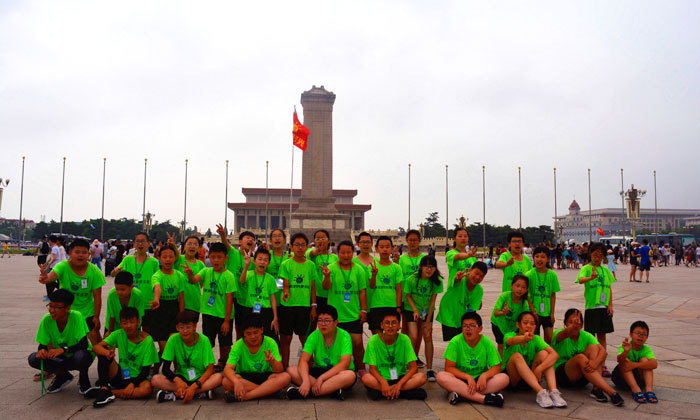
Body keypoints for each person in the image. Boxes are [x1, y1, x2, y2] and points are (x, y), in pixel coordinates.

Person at [38, 238, 105, 345]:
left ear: (89, 254)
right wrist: (45, 278)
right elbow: (52, 276)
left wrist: (96, 317)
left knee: (95, 342)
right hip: (66, 313)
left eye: (84, 252)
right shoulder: (63, 266)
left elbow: (97, 297)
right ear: (70, 253)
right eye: (77, 252)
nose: (80, 255)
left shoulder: (95, 271)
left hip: (87, 314)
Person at [28, 289, 96, 394]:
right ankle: (62, 375)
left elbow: (83, 344)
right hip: (59, 357)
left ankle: (84, 379)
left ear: (67, 308)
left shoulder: (76, 317)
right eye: (50, 306)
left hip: (76, 356)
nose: (52, 310)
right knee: (33, 358)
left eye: (57, 307)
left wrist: (63, 350)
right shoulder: (47, 319)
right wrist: (42, 351)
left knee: (81, 356)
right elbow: (42, 344)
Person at [551, 308, 624, 406]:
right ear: (565, 323)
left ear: (581, 325)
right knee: (580, 357)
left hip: (584, 375)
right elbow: (565, 334)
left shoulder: (586, 335)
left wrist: (595, 362)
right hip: (563, 377)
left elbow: (603, 351)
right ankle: (611, 392)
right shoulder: (558, 333)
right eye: (570, 322)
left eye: (577, 323)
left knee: (594, 348)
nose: (574, 325)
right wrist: (572, 328)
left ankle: (596, 389)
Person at [183, 242, 236, 373]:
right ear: (209, 257)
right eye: (213, 257)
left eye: (219, 257)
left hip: (223, 316)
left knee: (225, 343)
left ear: (225, 258)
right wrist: (190, 274)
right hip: (208, 314)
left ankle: (223, 362)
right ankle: (209, 363)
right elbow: (193, 281)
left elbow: (230, 300)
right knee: (208, 341)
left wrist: (226, 321)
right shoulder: (206, 271)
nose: (216, 260)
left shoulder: (229, 276)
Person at [435, 311, 508, 407]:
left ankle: (462, 395)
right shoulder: (455, 341)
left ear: (480, 328)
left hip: (480, 381)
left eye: (472, 326)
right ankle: (484, 399)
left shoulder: (486, 342)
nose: (468, 329)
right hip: (460, 380)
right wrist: (468, 377)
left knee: (504, 378)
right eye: (465, 326)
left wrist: (485, 376)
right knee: (441, 376)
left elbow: (497, 367)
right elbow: (449, 368)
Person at [90, 307, 159, 407]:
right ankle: (104, 388)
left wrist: (132, 385)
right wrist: (107, 353)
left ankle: (109, 392)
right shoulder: (118, 334)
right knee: (103, 352)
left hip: (139, 377)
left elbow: (145, 370)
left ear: (138, 322)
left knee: (147, 389)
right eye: (125, 323)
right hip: (121, 374)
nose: (128, 326)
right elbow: (96, 347)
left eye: (132, 322)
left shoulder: (147, 340)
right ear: (120, 324)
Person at [286, 306, 357, 400]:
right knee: (291, 370)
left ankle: (307, 393)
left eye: (327, 321)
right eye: (320, 320)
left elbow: (345, 364)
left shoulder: (344, 336)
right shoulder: (314, 336)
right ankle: (331, 390)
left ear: (336, 322)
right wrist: (306, 380)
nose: (323, 324)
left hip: (338, 372)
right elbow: (303, 360)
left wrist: (321, 378)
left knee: (350, 376)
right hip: (319, 370)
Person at [151, 310, 223, 403]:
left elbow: (210, 369)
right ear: (177, 327)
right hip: (182, 377)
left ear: (195, 327)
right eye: (181, 327)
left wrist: (194, 386)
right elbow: (165, 369)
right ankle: (199, 393)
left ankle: (178, 394)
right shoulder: (173, 339)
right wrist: (179, 381)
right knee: (155, 379)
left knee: (218, 378)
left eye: (188, 327)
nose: (185, 331)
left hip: (199, 379)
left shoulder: (204, 340)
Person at [503, 311, 567, 408]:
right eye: (525, 323)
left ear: (535, 327)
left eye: (532, 324)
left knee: (544, 354)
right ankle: (540, 392)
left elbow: (554, 354)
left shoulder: (536, 338)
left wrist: (539, 369)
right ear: (518, 324)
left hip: (531, 378)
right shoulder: (509, 335)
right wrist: (523, 338)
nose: (528, 326)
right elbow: (511, 341)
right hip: (513, 379)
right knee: (517, 356)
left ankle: (553, 392)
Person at [322, 240, 368, 374]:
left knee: (357, 344)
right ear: (338, 253)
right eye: (343, 253)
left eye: (349, 252)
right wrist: (326, 277)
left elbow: (362, 291)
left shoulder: (359, 270)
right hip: (335, 315)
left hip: (353, 314)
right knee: (335, 344)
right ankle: (336, 369)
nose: (346, 255)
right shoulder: (331, 268)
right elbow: (326, 287)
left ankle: (361, 368)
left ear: (353, 252)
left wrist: (363, 310)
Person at [222, 315, 291, 402]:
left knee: (285, 377)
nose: (253, 337)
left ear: (262, 330)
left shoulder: (270, 342)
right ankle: (270, 392)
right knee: (226, 381)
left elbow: (279, 369)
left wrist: (273, 362)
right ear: (243, 333)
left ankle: (247, 396)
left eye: (256, 332)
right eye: (248, 334)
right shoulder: (238, 345)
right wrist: (236, 381)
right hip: (245, 378)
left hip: (266, 377)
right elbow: (228, 369)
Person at [361, 310, 427, 400]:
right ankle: (398, 393)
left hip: (400, 378)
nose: (390, 326)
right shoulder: (373, 340)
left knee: (421, 377)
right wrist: (383, 382)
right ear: (382, 325)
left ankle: (388, 392)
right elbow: (372, 369)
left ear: (399, 325)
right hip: (381, 379)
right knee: (366, 378)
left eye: (394, 323)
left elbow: (413, 368)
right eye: (387, 323)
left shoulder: (404, 339)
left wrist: (399, 385)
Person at [278, 233, 318, 368]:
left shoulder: (311, 265)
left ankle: (309, 368)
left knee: (305, 339)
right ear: (291, 247)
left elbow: (313, 287)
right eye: (297, 245)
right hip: (287, 306)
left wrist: (313, 306)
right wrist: (285, 291)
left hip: (304, 306)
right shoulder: (285, 264)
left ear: (307, 247)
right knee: (286, 338)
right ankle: (285, 367)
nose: (300, 248)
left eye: (303, 245)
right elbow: (283, 283)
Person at [576, 242, 616, 377]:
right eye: (594, 255)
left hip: (603, 308)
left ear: (603, 257)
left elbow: (609, 288)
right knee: (591, 337)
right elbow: (580, 279)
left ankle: (602, 364)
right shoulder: (587, 268)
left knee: (602, 337)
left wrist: (610, 305)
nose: (597, 258)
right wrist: (590, 278)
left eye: (600, 255)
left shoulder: (605, 271)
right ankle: (591, 362)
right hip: (591, 307)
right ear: (590, 255)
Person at [403, 255, 442, 382]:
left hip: (426, 310)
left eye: (432, 267)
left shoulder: (436, 281)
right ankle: (409, 365)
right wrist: (415, 310)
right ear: (420, 267)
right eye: (426, 267)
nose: (429, 270)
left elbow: (433, 301)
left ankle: (429, 369)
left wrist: (428, 321)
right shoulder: (412, 279)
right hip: (411, 309)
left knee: (428, 335)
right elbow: (408, 296)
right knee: (413, 336)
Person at [111, 232, 160, 333]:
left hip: (148, 303)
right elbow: (113, 274)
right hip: (131, 303)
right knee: (131, 332)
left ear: (148, 243)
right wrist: (115, 271)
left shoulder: (154, 262)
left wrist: (156, 298)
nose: (140, 244)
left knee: (147, 332)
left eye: (143, 241)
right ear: (134, 244)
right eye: (137, 241)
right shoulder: (127, 260)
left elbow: (157, 283)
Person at [436, 227, 478, 342]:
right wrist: (468, 255)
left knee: (468, 338)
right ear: (454, 239)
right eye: (460, 236)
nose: (463, 238)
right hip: (453, 300)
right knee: (454, 340)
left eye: (465, 236)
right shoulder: (450, 253)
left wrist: (477, 298)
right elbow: (457, 257)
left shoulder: (472, 259)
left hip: (467, 300)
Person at [217, 225, 256, 341]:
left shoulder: (253, 261)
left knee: (241, 327)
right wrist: (223, 235)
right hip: (230, 295)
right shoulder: (233, 253)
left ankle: (241, 345)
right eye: (247, 238)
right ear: (239, 242)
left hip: (243, 298)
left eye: (252, 239)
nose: (250, 240)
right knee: (228, 324)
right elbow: (225, 244)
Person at [150, 243, 186, 365]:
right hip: (160, 311)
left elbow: (181, 297)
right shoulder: (157, 275)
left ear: (175, 258)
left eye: (171, 256)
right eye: (164, 257)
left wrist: (181, 317)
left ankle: (177, 370)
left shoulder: (179, 275)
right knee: (164, 348)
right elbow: (157, 288)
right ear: (159, 258)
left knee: (174, 345)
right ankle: (156, 368)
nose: (168, 259)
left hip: (174, 311)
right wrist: (156, 300)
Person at [395, 230, 426, 361]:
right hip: (405, 298)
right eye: (410, 240)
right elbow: (398, 277)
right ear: (406, 241)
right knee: (406, 329)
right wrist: (396, 262)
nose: (413, 242)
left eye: (415, 240)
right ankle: (404, 355)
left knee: (419, 330)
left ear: (419, 241)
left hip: (421, 298)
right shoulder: (402, 259)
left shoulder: (424, 258)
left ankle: (415, 356)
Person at [239, 247, 280, 342]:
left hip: (266, 311)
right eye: (260, 259)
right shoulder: (249, 274)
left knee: (270, 339)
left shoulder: (270, 279)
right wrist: (246, 266)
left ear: (268, 263)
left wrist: (275, 317)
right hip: (250, 310)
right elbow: (241, 281)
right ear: (254, 261)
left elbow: (273, 299)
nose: (262, 262)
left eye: (265, 260)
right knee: (250, 339)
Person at [612, 320, 658, 404]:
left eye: (643, 334)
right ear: (630, 335)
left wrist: (634, 365)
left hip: (638, 379)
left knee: (645, 360)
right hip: (621, 378)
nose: (640, 336)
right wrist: (625, 352)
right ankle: (636, 390)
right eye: (637, 333)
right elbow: (619, 360)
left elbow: (654, 364)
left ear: (647, 337)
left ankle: (649, 390)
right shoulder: (625, 345)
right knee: (625, 361)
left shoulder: (646, 349)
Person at [490, 274, 535, 357]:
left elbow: (524, 318)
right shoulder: (504, 296)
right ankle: (501, 363)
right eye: (517, 286)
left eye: (523, 287)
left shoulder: (524, 303)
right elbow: (495, 313)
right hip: (498, 324)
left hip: (512, 327)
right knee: (501, 345)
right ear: (511, 285)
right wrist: (503, 312)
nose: (520, 289)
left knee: (512, 345)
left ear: (526, 290)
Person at [367, 236, 404, 335]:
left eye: (387, 247)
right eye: (382, 247)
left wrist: (398, 306)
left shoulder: (397, 268)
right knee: (377, 336)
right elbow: (371, 286)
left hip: (392, 306)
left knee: (391, 336)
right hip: (376, 305)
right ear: (376, 249)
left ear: (392, 249)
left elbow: (399, 289)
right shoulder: (372, 267)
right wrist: (374, 275)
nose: (384, 249)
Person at [525, 246, 561, 344]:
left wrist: (552, 314)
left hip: (547, 313)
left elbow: (553, 295)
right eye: (537, 256)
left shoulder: (552, 275)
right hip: (533, 313)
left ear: (548, 259)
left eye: (543, 257)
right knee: (534, 340)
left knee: (549, 339)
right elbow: (525, 295)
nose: (539, 259)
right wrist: (533, 311)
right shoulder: (529, 275)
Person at [105, 271, 145, 337]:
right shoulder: (112, 294)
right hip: (113, 326)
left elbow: (139, 317)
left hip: (132, 327)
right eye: (117, 289)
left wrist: (133, 332)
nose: (119, 292)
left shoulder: (138, 295)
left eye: (123, 290)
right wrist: (110, 332)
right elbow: (112, 316)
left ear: (131, 287)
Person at [175, 235, 206, 318]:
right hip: (178, 302)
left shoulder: (201, 265)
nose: (192, 246)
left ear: (199, 248)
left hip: (194, 303)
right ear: (184, 247)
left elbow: (201, 284)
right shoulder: (179, 259)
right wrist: (173, 245)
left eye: (195, 244)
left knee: (191, 325)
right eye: (189, 244)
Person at [307, 229, 339, 310]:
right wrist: (315, 252)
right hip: (316, 294)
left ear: (328, 240)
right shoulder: (313, 256)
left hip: (331, 294)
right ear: (314, 242)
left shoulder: (334, 257)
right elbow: (309, 253)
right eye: (317, 239)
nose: (320, 241)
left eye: (323, 239)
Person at [266, 229, 290, 313]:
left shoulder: (290, 256)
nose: (277, 238)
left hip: (285, 297)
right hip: (269, 297)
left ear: (284, 240)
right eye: (274, 236)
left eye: (280, 236)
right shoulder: (266, 256)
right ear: (270, 240)